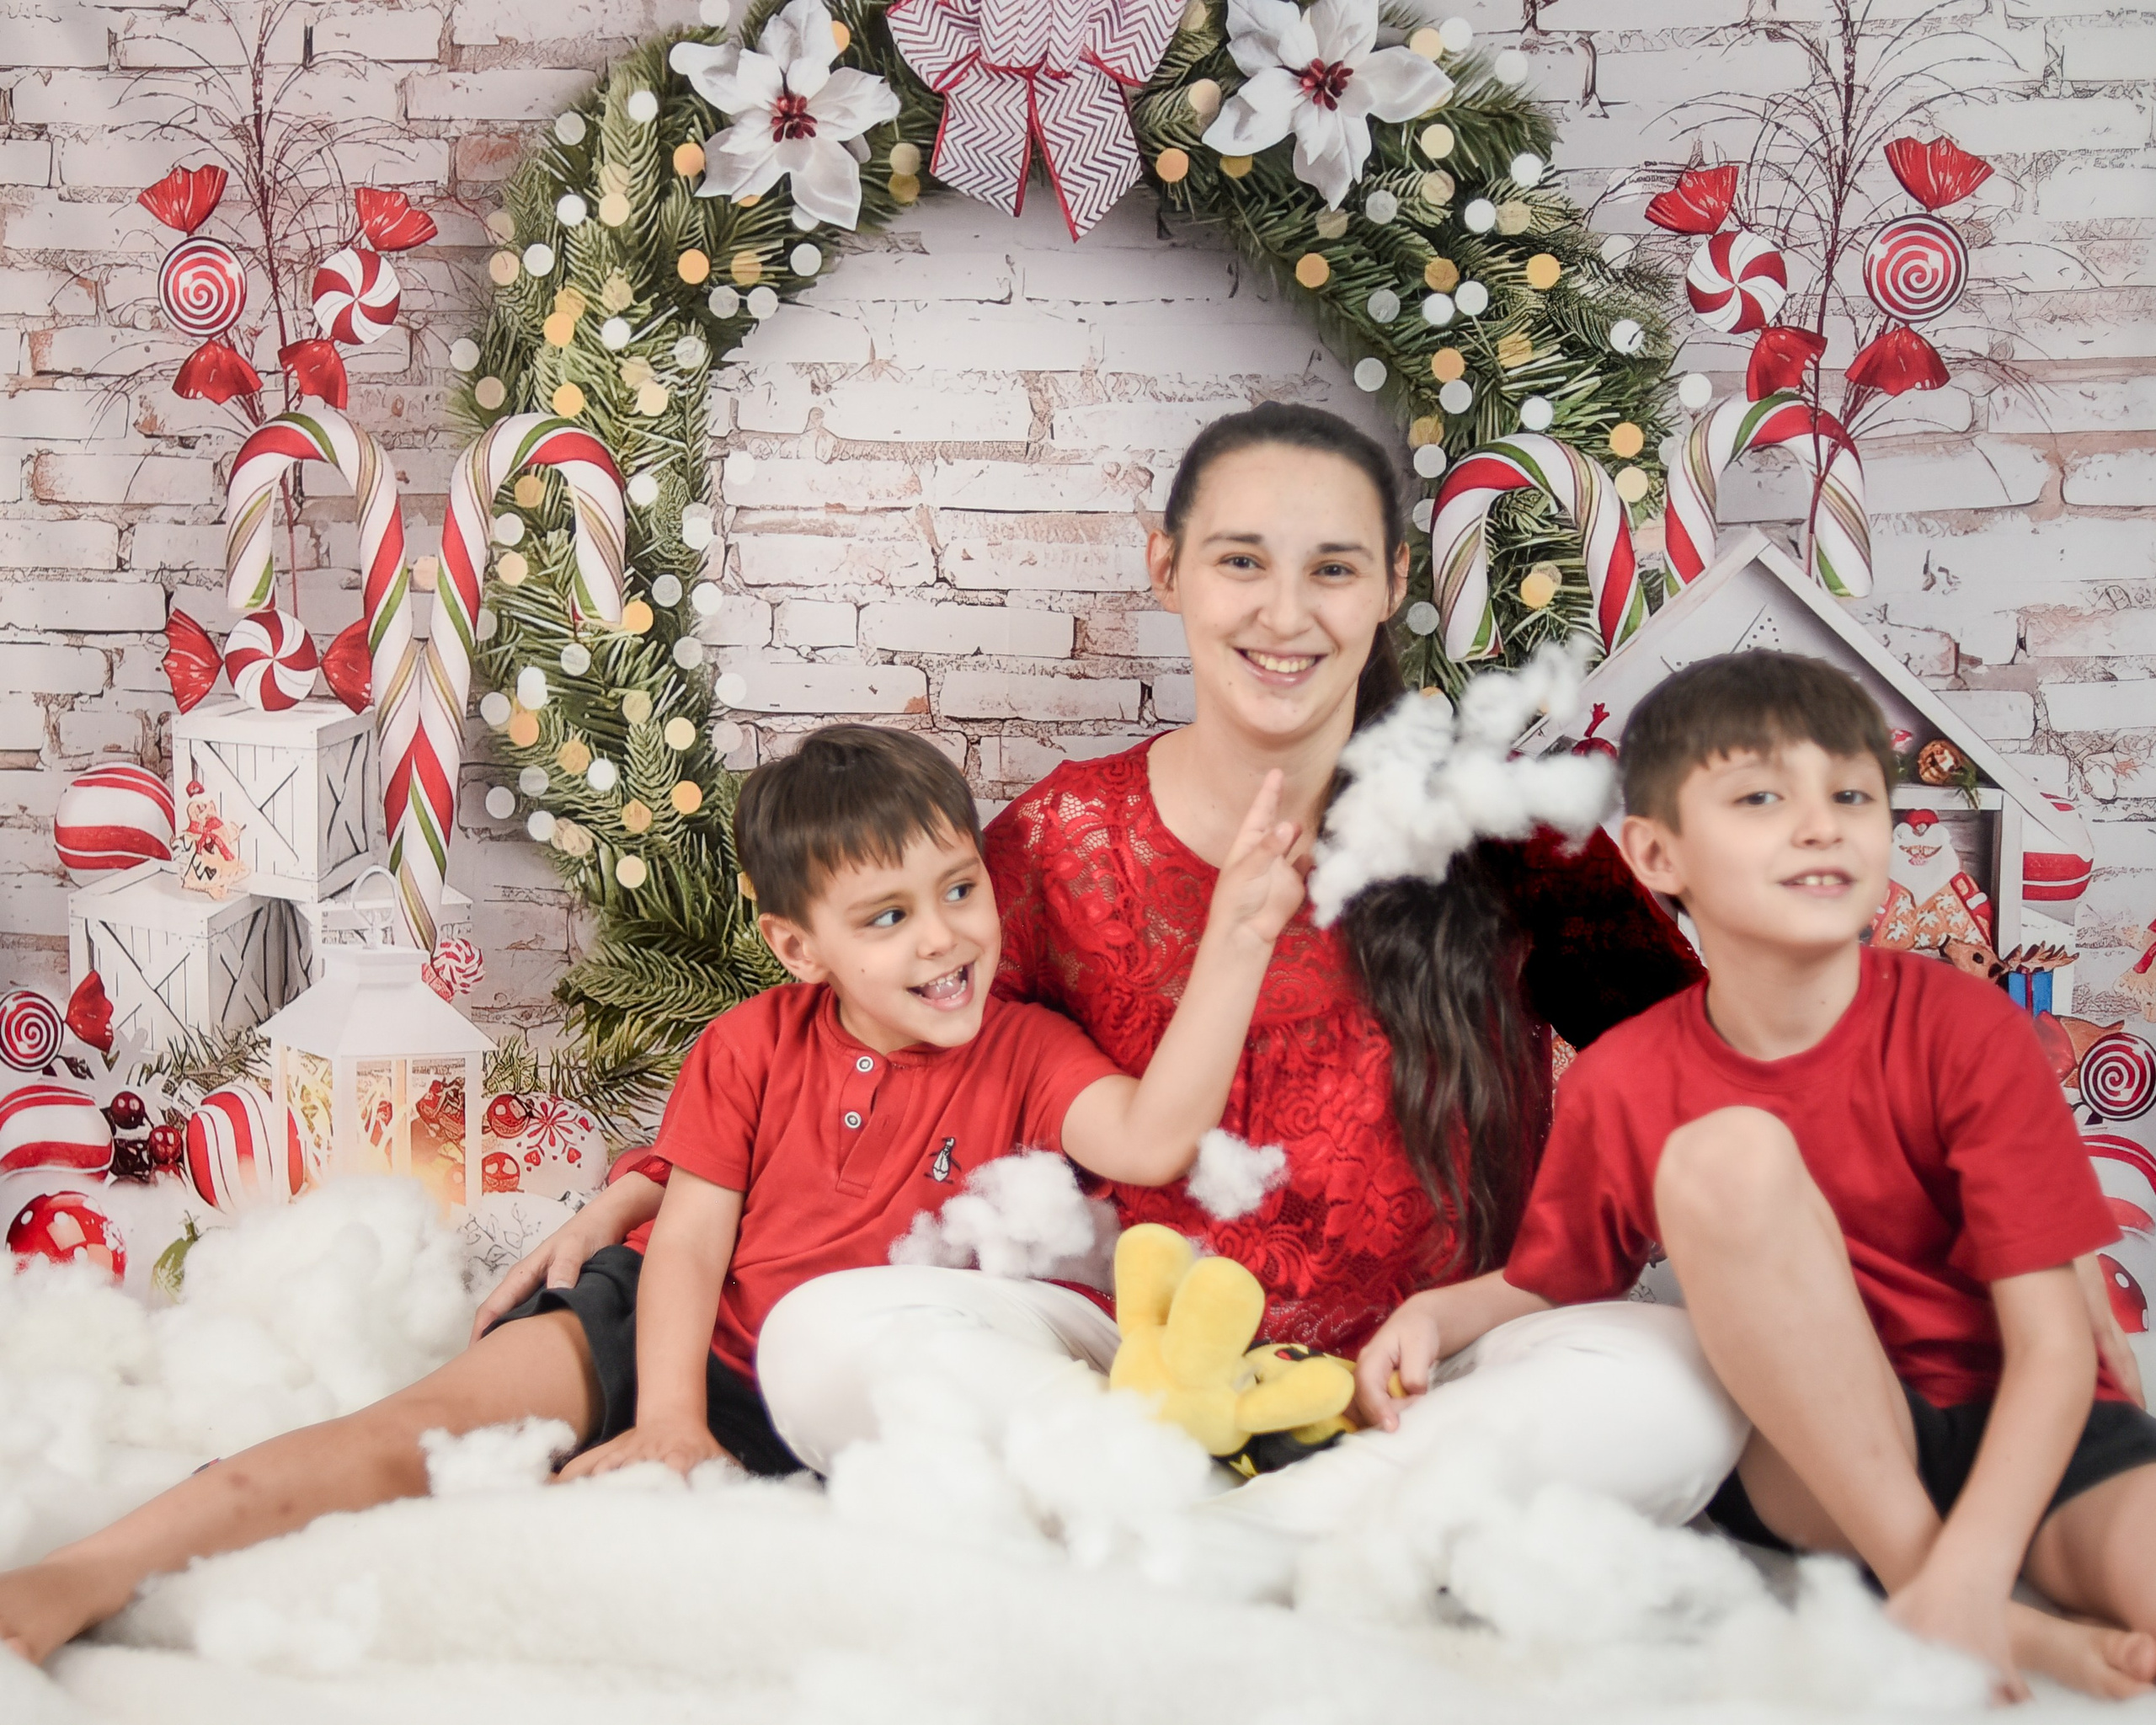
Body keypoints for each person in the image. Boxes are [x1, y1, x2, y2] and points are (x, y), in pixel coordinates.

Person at [0, 723, 1305, 1664]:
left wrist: (1240, 937)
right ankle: (81, 1572)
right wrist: (672, 1419)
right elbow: (688, 1245)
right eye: (888, 917)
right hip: (680, 1342)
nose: (946, 937)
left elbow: (1146, 1136)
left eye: (958, 891)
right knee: (412, 1432)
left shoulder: (1023, 1048)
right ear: (799, 946)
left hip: (857, 1382)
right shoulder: (749, 1045)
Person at [1353, 651, 2156, 1699]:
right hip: (1818, 1450)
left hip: (2036, 1423)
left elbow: (2055, 1346)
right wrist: (1435, 1311)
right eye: (1761, 796)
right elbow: (1559, 1276)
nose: (1819, 824)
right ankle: (1948, 1600)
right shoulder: (1628, 1075)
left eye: (1851, 793)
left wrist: (1989, 1544)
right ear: (1656, 852)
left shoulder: (1962, 1027)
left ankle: (1962, 1595)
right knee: (1729, 1155)